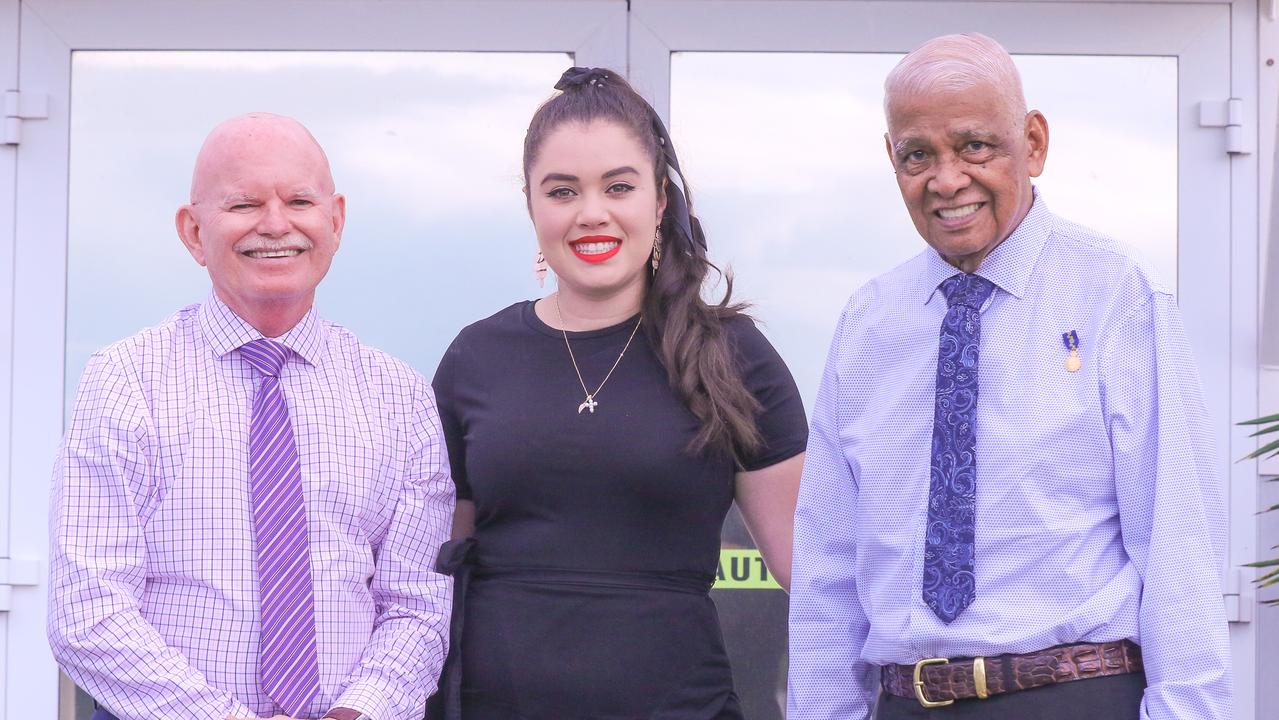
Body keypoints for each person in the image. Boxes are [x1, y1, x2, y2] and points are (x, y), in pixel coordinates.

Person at [788, 33, 1231, 720]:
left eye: (974, 146)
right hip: (903, 701)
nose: (945, 179)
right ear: (890, 159)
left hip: (1073, 696)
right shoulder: (867, 324)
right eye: (917, 155)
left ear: (1032, 143)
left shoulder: (1115, 293)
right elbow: (827, 570)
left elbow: (1179, 546)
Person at [47, 113, 455, 720]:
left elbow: (418, 601)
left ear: (335, 220)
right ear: (192, 231)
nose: (274, 224)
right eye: (242, 204)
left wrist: (363, 711)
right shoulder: (124, 381)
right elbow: (87, 610)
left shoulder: (399, 396)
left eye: (298, 200)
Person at [429, 66, 807, 719]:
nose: (591, 213)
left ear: (659, 200)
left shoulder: (732, 356)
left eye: (619, 186)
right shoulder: (475, 357)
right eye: (562, 191)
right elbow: (429, 580)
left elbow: (813, 573)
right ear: (530, 204)